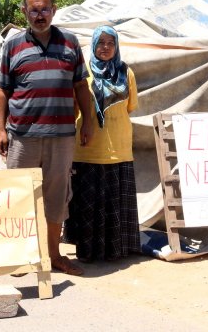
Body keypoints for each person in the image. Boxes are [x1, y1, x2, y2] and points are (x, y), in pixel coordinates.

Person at [0, 0, 93, 276]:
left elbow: (80, 86)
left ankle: (53, 255)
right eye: (34, 10)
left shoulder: (70, 43)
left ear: (54, 10)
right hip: (23, 136)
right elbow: (2, 89)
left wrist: (87, 121)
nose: (40, 15)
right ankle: (20, 255)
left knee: (56, 196)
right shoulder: (13, 46)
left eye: (45, 9)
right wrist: (0, 129)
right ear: (25, 12)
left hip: (61, 135)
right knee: (18, 194)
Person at [64, 26, 141, 262]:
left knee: (113, 200)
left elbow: (131, 106)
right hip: (88, 146)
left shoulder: (126, 72)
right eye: (101, 43)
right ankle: (88, 251)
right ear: (93, 45)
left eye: (111, 43)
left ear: (116, 46)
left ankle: (115, 251)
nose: (106, 48)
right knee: (89, 201)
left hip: (118, 145)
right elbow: (75, 104)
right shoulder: (82, 72)